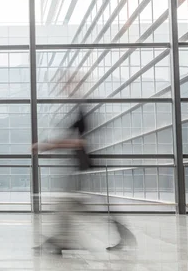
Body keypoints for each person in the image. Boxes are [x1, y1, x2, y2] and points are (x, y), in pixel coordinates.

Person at [32, 102, 136, 255]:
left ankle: (60, 241)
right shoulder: (80, 121)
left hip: (85, 172)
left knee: (72, 206)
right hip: (83, 170)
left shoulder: (82, 122)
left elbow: (77, 143)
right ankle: (60, 241)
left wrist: (47, 145)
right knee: (71, 206)